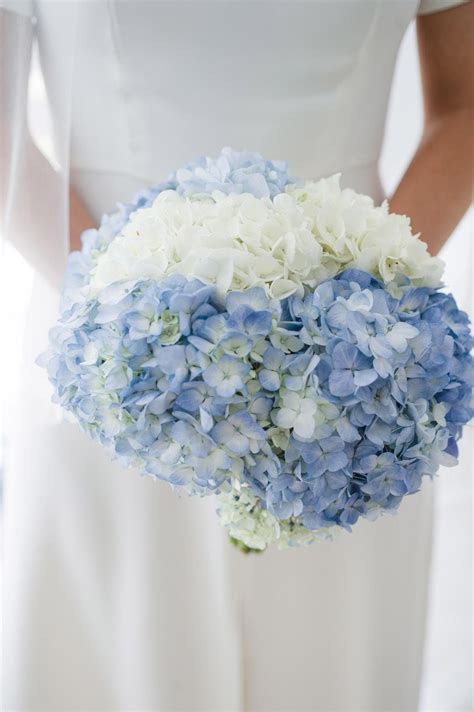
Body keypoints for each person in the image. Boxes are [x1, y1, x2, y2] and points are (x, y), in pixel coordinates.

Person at [1, 1, 472, 710]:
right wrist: (119, 327)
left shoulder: (357, 370)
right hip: (112, 369)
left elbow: (464, 109)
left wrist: (364, 313)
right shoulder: (112, 343)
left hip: (348, 403)